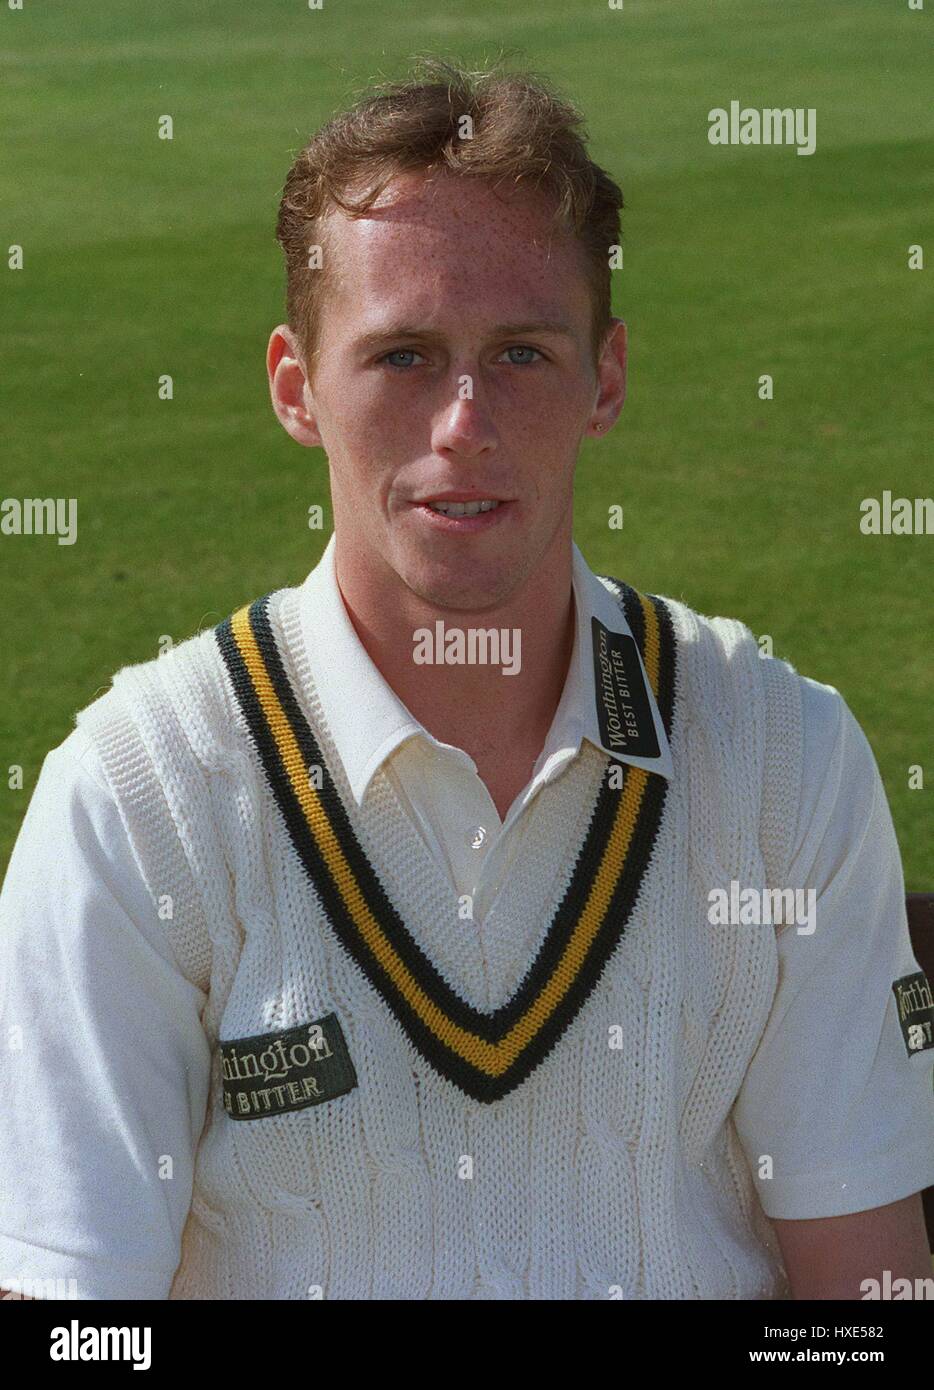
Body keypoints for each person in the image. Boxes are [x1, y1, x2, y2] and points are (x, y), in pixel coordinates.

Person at [1, 59, 932, 1302]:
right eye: (400, 356)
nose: (463, 424)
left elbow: (865, 1300)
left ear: (604, 379)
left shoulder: (782, 754)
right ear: (295, 386)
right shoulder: (137, 794)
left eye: (522, 356)